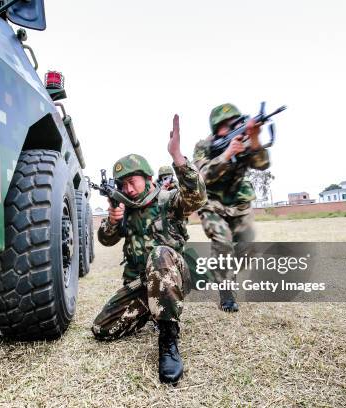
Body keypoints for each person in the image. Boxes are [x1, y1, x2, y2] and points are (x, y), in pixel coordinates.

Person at [91, 115, 206, 384]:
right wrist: (112, 220)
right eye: (123, 185)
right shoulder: (125, 210)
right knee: (101, 329)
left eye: (133, 182)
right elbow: (106, 240)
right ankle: (154, 308)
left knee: (159, 253)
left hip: (174, 274)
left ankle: (168, 338)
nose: (128, 189)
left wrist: (177, 157)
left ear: (148, 178)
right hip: (142, 284)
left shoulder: (168, 200)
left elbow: (197, 198)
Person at [192, 103, 270, 312]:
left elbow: (262, 164)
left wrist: (254, 139)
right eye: (226, 125)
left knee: (247, 248)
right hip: (212, 204)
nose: (232, 127)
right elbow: (201, 176)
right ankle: (227, 293)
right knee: (223, 244)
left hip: (239, 202)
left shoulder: (244, 141)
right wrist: (226, 155)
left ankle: (221, 269)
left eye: (235, 123)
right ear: (216, 128)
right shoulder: (203, 146)